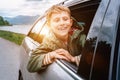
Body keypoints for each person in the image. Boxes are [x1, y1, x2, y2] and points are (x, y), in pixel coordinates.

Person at [27, 5, 86, 72]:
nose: (62, 23)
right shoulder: (48, 43)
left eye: (65, 19)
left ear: (70, 22)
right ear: (49, 25)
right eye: (56, 20)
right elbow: (30, 65)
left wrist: (74, 59)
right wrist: (50, 55)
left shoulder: (81, 37)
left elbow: (95, 57)